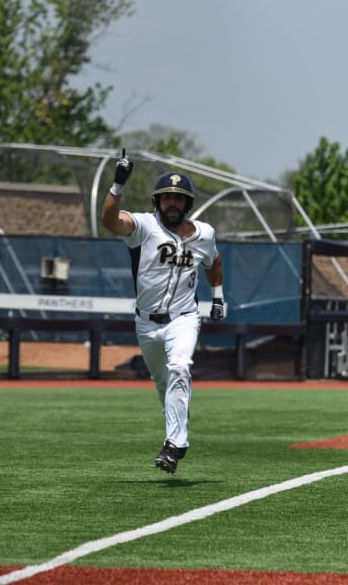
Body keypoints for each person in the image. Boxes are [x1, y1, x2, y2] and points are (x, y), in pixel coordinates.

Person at [101, 149, 225, 473]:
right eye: (167, 198)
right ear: (158, 201)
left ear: (188, 204)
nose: (173, 203)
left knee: (180, 367)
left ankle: (174, 445)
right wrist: (118, 184)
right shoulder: (143, 227)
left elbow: (214, 261)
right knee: (163, 381)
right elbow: (110, 220)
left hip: (184, 318)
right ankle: (176, 428)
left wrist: (218, 296)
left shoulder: (204, 234)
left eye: (179, 199)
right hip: (145, 323)